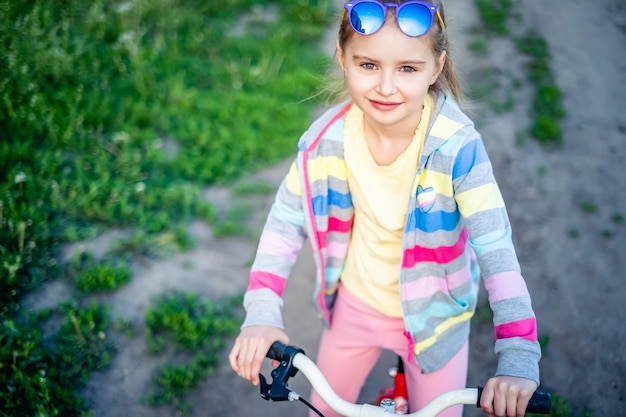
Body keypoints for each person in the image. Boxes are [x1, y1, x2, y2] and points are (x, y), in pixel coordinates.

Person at [228, 1, 541, 416]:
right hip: (356, 307)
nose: (386, 86)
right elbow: (284, 225)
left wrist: (519, 354)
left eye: (408, 68)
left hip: (437, 323)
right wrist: (262, 312)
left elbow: (497, 251)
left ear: (436, 67)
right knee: (323, 410)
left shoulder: (457, 148)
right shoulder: (325, 142)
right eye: (368, 65)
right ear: (342, 59)